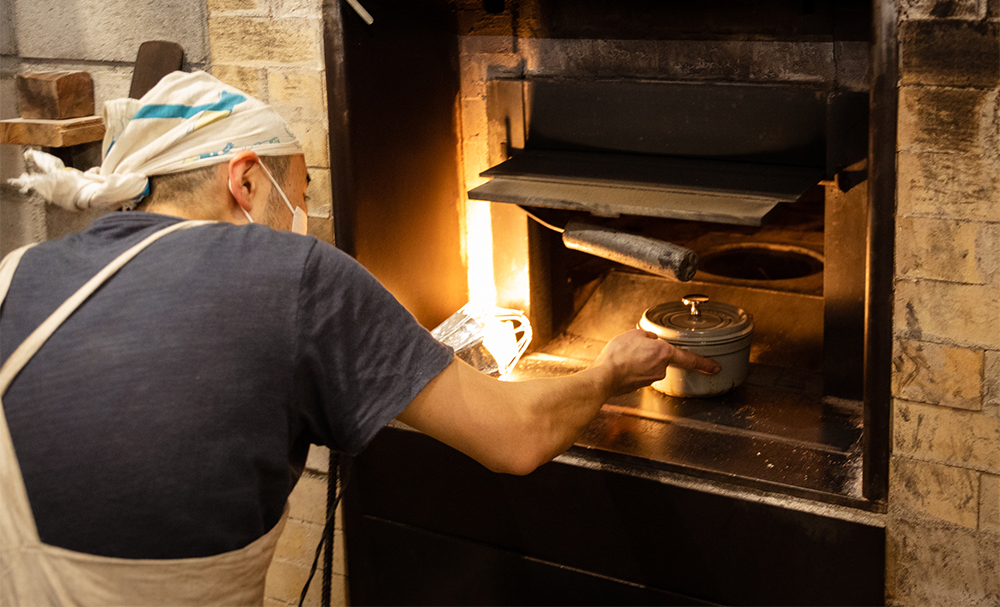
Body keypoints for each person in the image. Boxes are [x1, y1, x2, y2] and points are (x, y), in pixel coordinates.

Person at [0, 71, 719, 606]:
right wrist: (609, 370)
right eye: (301, 188)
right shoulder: (292, 272)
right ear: (245, 180)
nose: (306, 213)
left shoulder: (15, 272)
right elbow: (514, 436)